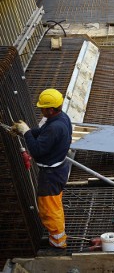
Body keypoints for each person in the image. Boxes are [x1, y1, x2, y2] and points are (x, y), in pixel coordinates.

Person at [11, 88, 72, 255]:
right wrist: (26, 132)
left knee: (49, 210)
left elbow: (37, 150)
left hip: (51, 175)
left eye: (43, 108)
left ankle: (59, 245)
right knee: (55, 205)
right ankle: (56, 238)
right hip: (59, 170)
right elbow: (43, 133)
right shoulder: (61, 118)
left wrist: (26, 132)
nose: (41, 110)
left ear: (50, 109)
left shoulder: (55, 126)